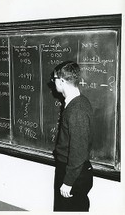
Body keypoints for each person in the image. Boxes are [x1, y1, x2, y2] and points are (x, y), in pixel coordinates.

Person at [52, 61, 94, 211]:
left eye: (54, 79)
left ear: (62, 81)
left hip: (73, 174)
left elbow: (79, 150)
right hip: (71, 170)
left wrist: (68, 182)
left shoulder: (77, 110)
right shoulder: (75, 103)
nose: (53, 82)